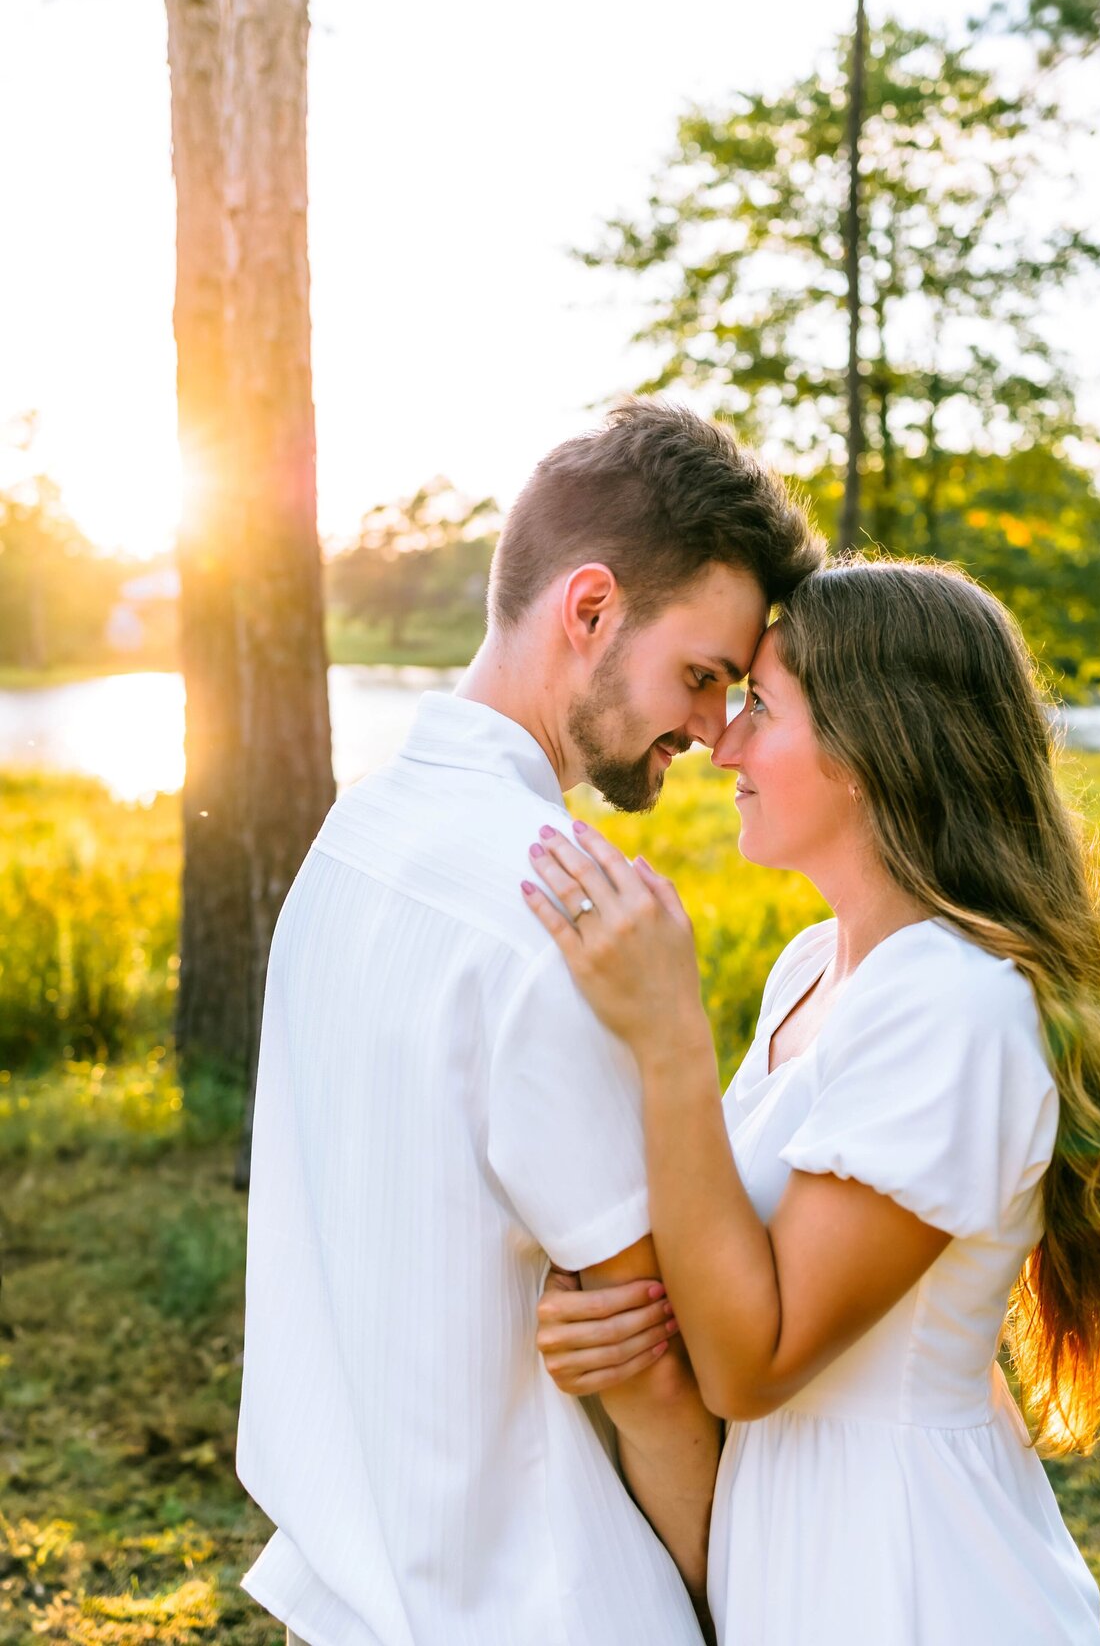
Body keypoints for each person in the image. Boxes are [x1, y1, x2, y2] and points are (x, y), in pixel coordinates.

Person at [235, 398, 823, 1646]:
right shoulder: (565, 915)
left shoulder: (351, 837)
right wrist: (744, 1613)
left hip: (352, 1594)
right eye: (702, 676)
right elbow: (656, 1382)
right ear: (591, 609)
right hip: (541, 1605)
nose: (713, 731)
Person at [524, 558, 1100, 1646]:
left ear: (877, 748)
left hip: (911, 1573)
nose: (720, 744)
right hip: (790, 1544)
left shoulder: (955, 1008)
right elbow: (722, 1262)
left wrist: (671, 1035)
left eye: (762, 707)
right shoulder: (813, 966)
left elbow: (752, 1363)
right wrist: (613, 1326)